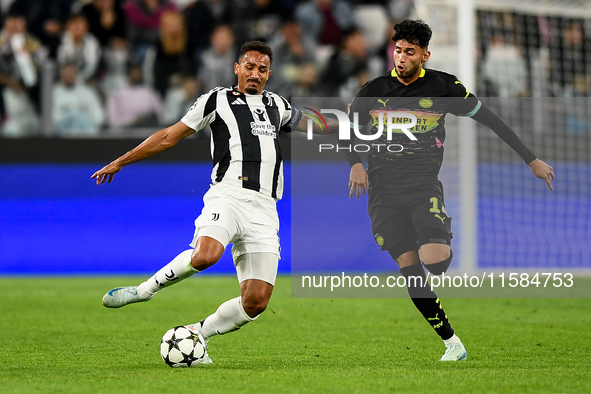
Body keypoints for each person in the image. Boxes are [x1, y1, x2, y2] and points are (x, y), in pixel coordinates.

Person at [92, 41, 325, 363]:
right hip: (228, 194)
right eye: (249, 66)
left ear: (269, 73)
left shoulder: (278, 106)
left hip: (265, 208)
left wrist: (361, 127)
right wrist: (121, 161)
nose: (254, 73)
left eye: (261, 69)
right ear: (237, 68)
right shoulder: (216, 99)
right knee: (206, 255)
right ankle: (145, 290)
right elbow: (167, 137)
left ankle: (198, 333)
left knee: (256, 302)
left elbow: (316, 124)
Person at [346, 19, 555, 361]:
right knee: (410, 267)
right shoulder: (372, 90)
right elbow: (348, 131)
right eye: (397, 50)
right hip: (382, 193)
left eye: (409, 52)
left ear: (424, 55)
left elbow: (492, 120)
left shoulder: (445, 87)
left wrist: (530, 159)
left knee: (436, 262)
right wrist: (355, 163)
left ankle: (437, 226)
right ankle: (452, 343)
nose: (401, 57)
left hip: (422, 186)